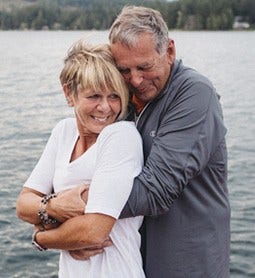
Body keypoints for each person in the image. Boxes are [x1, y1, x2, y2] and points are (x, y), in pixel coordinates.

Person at [68, 5, 231, 278]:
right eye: (124, 70)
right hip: (133, 264)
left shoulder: (195, 94)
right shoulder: (121, 101)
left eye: (144, 67)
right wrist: (62, 224)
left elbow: (155, 192)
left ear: (169, 51)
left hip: (189, 267)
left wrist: (70, 210)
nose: (136, 80)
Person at [16, 39, 145, 278]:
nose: (105, 108)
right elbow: (23, 204)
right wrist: (55, 206)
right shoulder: (63, 132)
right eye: (94, 96)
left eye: (115, 96)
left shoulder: (120, 136)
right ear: (69, 92)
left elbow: (93, 232)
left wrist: (41, 236)